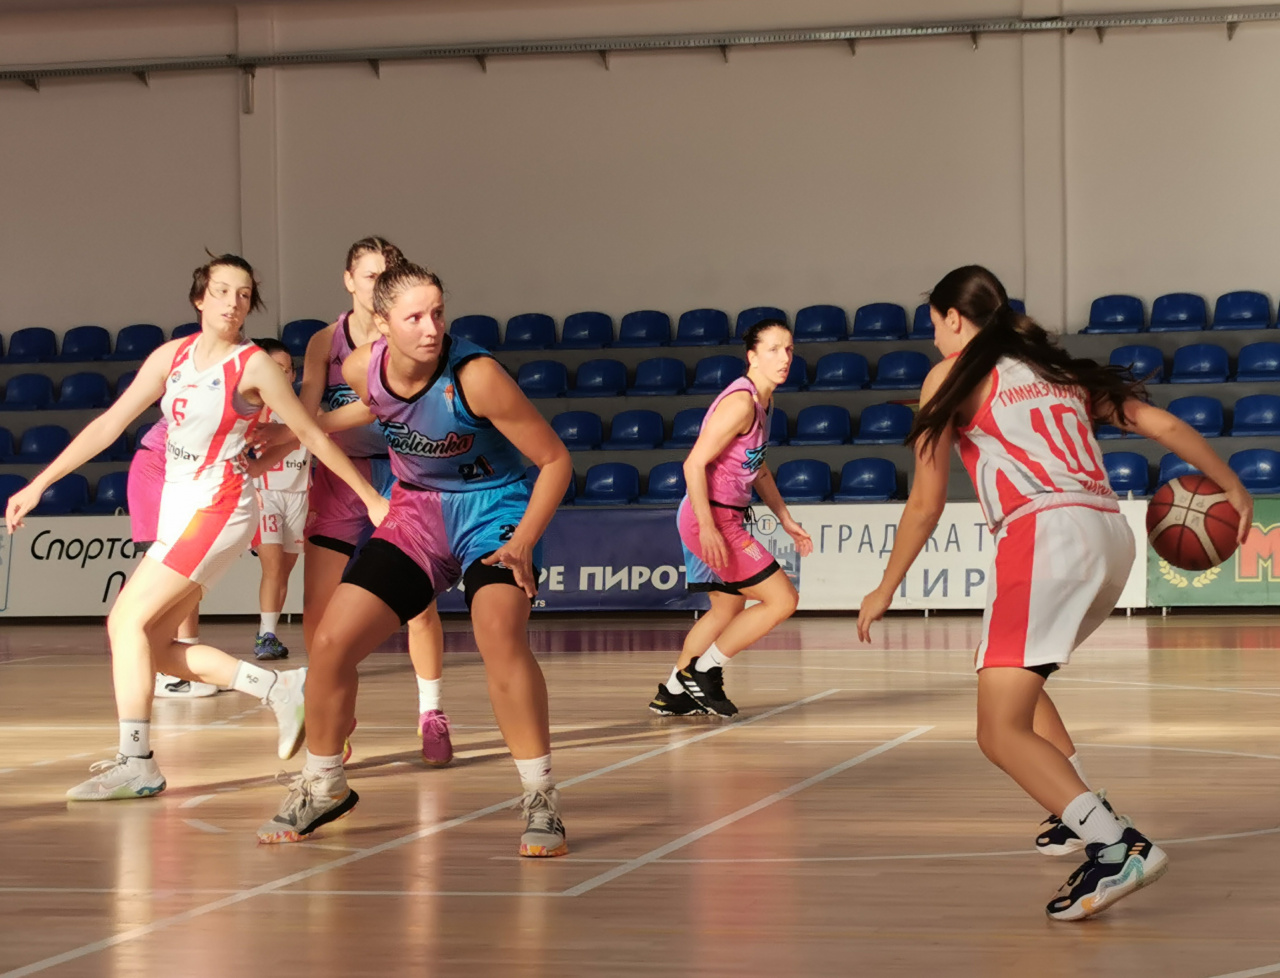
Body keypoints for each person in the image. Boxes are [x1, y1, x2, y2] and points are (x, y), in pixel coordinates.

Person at [856, 265, 1254, 921]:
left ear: (954, 318)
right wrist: (1231, 483)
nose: (933, 338)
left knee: (997, 730)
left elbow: (925, 503)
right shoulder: (1056, 370)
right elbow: (1159, 424)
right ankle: (1073, 811)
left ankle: (1116, 846)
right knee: (1013, 678)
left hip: (1044, 535)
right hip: (1109, 536)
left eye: (934, 324)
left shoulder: (951, 375)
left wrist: (886, 585)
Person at [5, 254, 389, 802]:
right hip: (179, 510)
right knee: (153, 645)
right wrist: (40, 483)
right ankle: (279, 687)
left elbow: (310, 432)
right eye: (223, 290)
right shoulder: (172, 356)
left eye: (244, 294)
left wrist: (370, 497)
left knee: (123, 622)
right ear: (199, 299)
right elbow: (109, 424)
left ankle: (136, 762)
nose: (233, 302)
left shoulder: (252, 366)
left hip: (220, 508)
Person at [257, 262, 572, 857]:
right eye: (415, 317)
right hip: (418, 512)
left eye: (438, 313)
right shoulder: (360, 367)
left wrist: (524, 540)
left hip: (493, 513)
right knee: (330, 643)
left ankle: (541, 797)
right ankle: (324, 784)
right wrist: (296, 432)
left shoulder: (477, 377)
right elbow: (377, 408)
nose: (432, 328)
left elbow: (555, 461)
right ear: (382, 324)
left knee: (498, 635)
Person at [293, 237, 452, 765]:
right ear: (348, 280)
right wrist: (280, 437)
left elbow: (379, 409)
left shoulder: (406, 337)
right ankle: (335, 714)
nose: (378, 283)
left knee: (419, 606)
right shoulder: (325, 341)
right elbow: (308, 418)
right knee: (317, 608)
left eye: (388, 274)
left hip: (403, 472)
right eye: (369, 275)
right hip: (342, 476)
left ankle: (431, 712)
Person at [648, 318, 812, 718]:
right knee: (782, 599)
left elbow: (758, 468)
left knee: (726, 610)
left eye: (789, 349)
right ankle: (705, 670)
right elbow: (693, 464)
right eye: (773, 349)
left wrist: (785, 518)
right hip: (710, 517)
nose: (784, 357)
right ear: (752, 357)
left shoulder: (763, 403)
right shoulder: (741, 403)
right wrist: (707, 527)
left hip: (721, 515)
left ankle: (674, 691)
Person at [127, 416, 215, 698]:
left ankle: (184, 668)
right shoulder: (220, 398)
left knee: (187, 568)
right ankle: (173, 671)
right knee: (175, 567)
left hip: (176, 469)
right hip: (158, 468)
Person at [246, 338, 310, 661]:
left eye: (288, 369)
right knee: (272, 568)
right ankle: (266, 636)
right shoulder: (253, 411)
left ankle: (267, 632)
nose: (283, 374)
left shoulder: (308, 408)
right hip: (265, 494)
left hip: (299, 496)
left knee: (283, 571)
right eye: (276, 368)